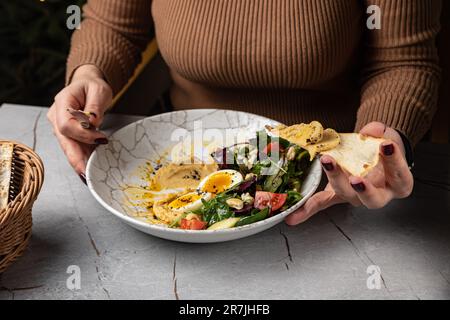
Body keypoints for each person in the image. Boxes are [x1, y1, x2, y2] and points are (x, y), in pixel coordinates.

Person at [47, 0, 442, 225]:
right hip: (182, 152)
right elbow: (114, 24)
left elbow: (401, 60)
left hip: (330, 184)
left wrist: (377, 147)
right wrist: (89, 73)